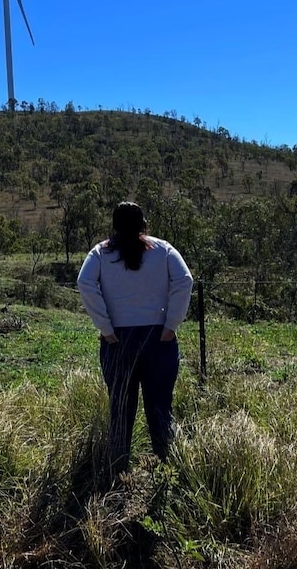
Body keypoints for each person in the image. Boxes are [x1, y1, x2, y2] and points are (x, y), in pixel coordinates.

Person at [76, 201, 193, 475]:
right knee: (160, 407)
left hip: (118, 341)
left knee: (120, 408)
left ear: (114, 225)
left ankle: (117, 472)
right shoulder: (163, 249)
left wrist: (105, 327)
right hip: (159, 339)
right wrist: (171, 324)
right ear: (143, 223)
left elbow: (84, 282)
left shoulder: (100, 253)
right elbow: (184, 280)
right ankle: (169, 472)